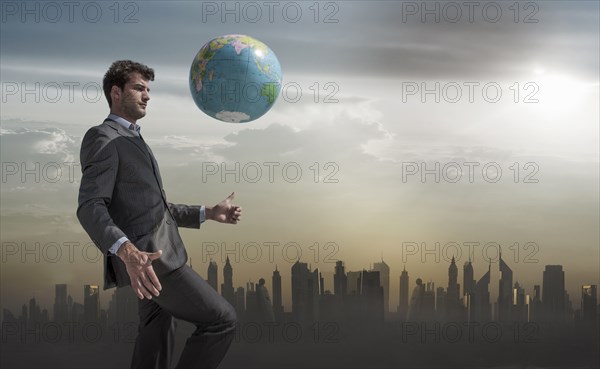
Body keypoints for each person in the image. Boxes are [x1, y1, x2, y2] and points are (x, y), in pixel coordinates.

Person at [77, 60, 240, 369]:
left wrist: (209, 213)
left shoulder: (133, 139)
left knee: (156, 337)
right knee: (222, 320)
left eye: (148, 89)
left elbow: (152, 209)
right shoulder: (104, 138)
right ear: (116, 92)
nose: (147, 95)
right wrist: (127, 252)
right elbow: (90, 206)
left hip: (150, 260)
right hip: (153, 261)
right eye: (139, 88)